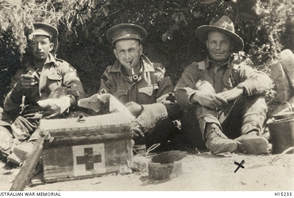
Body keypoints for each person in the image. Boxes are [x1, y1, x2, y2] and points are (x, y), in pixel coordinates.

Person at [174, 15, 272, 155]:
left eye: (223, 43)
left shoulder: (238, 69)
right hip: (200, 133)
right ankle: (213, 135)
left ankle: (250, 135)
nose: (218, 47)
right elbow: (179, 92)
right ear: (207, 44)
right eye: (213, 42)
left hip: (231, 131)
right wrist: (197, 96)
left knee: (256, 94)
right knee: (204, 86)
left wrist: (239, 89)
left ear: (231, 45)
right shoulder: (195, 69)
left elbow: (264, 80)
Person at [79, 23, 180, 152]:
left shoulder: (157, 72)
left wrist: (142, 109)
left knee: (160, 111)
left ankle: (132, 135)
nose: (127, 56)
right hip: (121, 130)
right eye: (122, 51)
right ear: (115, 53)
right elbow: (101, 110)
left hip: (153, 135)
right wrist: (97, 104)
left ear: (140, 50)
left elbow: (171, 108)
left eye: (131, 50)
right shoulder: (110, 76)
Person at [1, 22, 86, 164]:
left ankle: (27, 150)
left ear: (51, 46)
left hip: (55, 116)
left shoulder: (62, 67)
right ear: (30, 46)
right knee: (0, 135)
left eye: (43, 43)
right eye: (35, 43)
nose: (39, 48)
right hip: (28, 119)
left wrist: (63, 103)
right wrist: (18, 88)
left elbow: (79, 94)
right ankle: (14, 149)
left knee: (45, 133)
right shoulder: (22, 71)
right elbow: (8, 106)